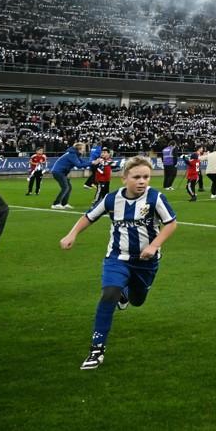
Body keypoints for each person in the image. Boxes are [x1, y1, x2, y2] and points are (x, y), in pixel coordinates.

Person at [58, 156, 177, 370]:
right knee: (109, 294)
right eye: (137, 177)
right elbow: (88, 217)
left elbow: (171, 224)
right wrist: (72, 234)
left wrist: (153, 246)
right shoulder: (111, 199)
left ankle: (127, 294)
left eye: (146, 177)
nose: (142, 181)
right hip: (117, 257)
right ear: (124, 179)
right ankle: (97, 348)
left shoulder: (155, 198)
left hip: (146, 263)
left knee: (138, 300)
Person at [49, 143, 92, 210]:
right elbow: (79, 165)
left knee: (68, 187)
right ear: (79, 149)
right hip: (59, 172)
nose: (84, 150)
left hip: (61, 172)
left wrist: (93, 162)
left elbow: (83, 162)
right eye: (83, 148)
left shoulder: (75, 154)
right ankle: (56, 204)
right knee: (65, 187)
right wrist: (92, 163)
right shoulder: (72, 155)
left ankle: (64, 203)